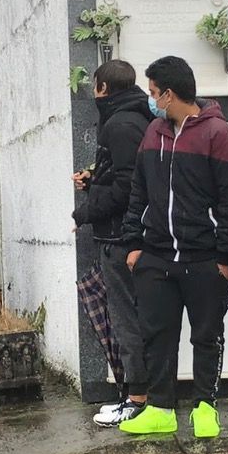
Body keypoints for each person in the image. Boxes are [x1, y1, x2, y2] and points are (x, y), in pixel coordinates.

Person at [119, 55, 228, 439]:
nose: (151, 99)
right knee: (157, 335)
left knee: (206, 335)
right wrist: (133, 244)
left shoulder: (219, 134)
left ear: (170, 93)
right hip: (156, 256)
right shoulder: (153, 133)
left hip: (204, 258)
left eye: (154, 92)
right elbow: (138, 191)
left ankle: (205, 407)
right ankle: (160, 408)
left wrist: (225, 257)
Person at [73, 60, 153, 428]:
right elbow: (123, 175)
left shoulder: (120, 125)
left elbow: (128, 187)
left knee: (125, 320)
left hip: (121, 238)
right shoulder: (132, 118)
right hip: (127, 235)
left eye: (94, 86)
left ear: (103, 87)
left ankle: (136, 398)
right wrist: (93, 180)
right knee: (130, 319)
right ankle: (135, 395)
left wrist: (85, 211)